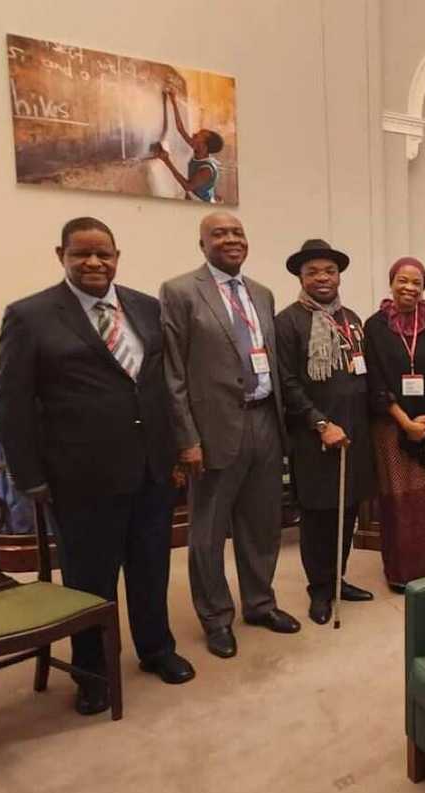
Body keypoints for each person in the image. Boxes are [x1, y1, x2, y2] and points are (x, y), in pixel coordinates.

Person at [0, 217, 194, 715]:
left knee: (151, 568)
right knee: (90, 580)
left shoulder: (146, 309)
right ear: (60, 255)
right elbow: (14, 406)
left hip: (151, 470)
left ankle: (157, 650)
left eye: (102, 253)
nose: (93, 263)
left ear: (116, 256)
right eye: (80, 254)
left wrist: (174, 454)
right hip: (81, 478)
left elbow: (155, 388)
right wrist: (30, 478)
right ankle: (93, 672)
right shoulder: (30, 316)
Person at [161, 211, 300, 659]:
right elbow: (173, 373)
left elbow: (271, 361)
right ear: (202, 244)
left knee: (262, 525)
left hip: (264, 422)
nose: (231, 239)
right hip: (213, 429)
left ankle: (259, 604)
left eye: (238, 232)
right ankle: (216, 617)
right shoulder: (181, 292)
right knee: (208, 530)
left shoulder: (262, 293)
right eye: (218, 233)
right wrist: (186, 438)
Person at [275, 239, 377, 624]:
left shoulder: (351, 319)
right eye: (313, 272)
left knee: (348, 511)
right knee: (319, 516)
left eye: (329, 271)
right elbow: (287, 383)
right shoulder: (288, 322)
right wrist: (319, 422)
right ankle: (319, 590)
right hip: (315, 436)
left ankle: (338, 580)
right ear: (301, 277)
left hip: (355, 434)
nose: (322, 278)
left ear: (338, 276)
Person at [364, 257, 425, 589]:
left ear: (424, 286)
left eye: (416, 282)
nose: (409, 288)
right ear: (391, 283)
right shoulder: (375, 326)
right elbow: (374, 379)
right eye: (402, 281)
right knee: (399, 502)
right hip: (391, 427)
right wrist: (405, 422)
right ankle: (402, 573)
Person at [152, 88, 224, 202]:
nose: (193, 134)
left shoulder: (206, 170)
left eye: (198, 136)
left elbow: (187, 186)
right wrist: (173, 101)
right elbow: (180, 129)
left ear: (203, 146)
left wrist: (167, 161)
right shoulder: (198, 149)